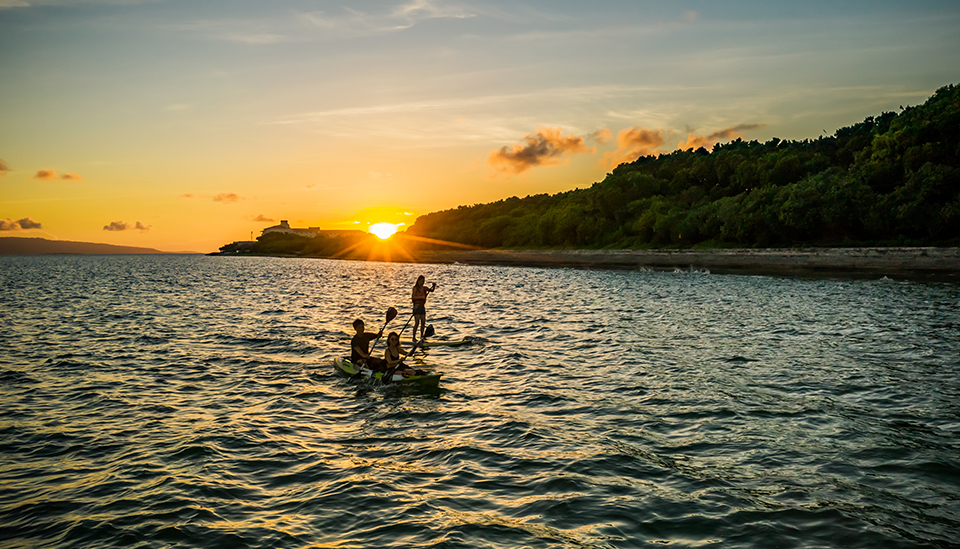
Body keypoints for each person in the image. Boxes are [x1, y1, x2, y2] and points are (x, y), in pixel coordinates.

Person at [411, 275, 436, 344]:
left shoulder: (424, 288)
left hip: (422, 307)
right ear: (418, 281)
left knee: (423, 323)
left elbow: (431, 290)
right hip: (416, 307)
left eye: (423, 281)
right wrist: (421, 297)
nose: (422, 283)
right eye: (421, 281)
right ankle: (413, 338)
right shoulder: (415, 288)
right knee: (417, 323)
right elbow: (413, 297)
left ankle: (421, 337)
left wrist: (433, 286)